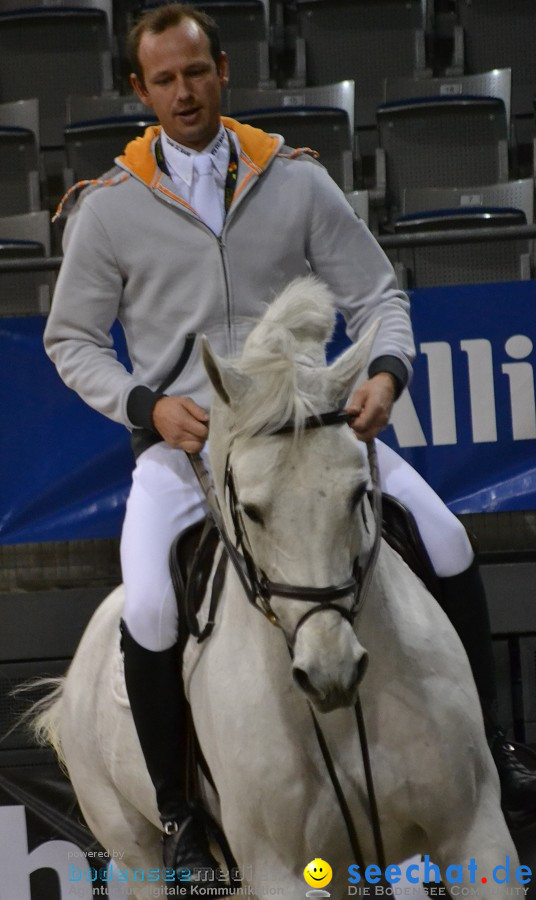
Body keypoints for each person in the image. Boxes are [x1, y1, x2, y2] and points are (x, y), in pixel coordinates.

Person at [44, 2, 536, 880]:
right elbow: (68, 340)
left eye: (197, 72)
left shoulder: (296, 179)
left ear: (222, 71)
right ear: (139, 89)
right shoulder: (108, 209)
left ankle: (491, 748)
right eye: (165, 78)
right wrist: (145, 405)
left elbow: (381, 295)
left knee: (451, 538)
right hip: (188, 449)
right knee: (151, 606)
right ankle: (182, 813)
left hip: (307, 432)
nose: (184, 90)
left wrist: (386, 372)